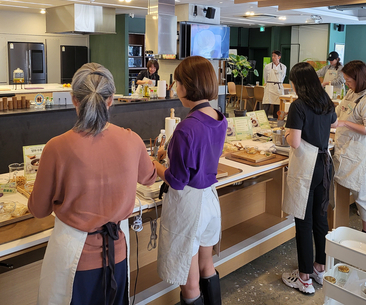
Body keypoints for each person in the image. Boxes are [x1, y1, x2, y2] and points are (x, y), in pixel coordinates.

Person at [28, 63, 157, 305]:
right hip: (118, 255)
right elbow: (149, 177)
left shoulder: (56, 147)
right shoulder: (132, 139)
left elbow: (38, 210)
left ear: (74, 100)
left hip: (73, 261)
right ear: (110, 101)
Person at [153, 56, 227, 305]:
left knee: (190, 280)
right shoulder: (219, 116)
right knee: (207, 265)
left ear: (187, 85)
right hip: (209, 200)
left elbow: (176, 180)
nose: (175, 88)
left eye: (176, 83)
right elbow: (200, 153)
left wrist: (154, 164)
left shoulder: (186, 127)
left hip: (188, 206)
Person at [280, 62, 337, 295]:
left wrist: (285, 133)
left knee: (303, 221)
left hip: (306, 167)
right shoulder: (325, 101)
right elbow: (333, 123)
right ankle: (319, 268)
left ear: (297, 83)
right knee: (320, 219)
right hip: (324, 164)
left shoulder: (298, 105)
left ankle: (303, 278)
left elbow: (294, 142)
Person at [333, 60, 366, 234]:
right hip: (345, 148)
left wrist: (345, 123)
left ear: (359, 78)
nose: (346, 84)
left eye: (349, 80)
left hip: (359, 153)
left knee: (363, 195)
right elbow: (339, 112)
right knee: (345, 189)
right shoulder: (352, 92)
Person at [262, 50, 287, 118]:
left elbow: (283, 77)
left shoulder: (284, 67)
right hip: (269, 86)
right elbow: (265, 77)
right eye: (272, 56)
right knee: (266, 106)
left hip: (278, 87)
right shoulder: (267, 66)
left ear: (279, 57)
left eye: (275, 56)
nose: (273, 57)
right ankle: (264, 121)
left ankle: (277, 121)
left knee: (278, 106)